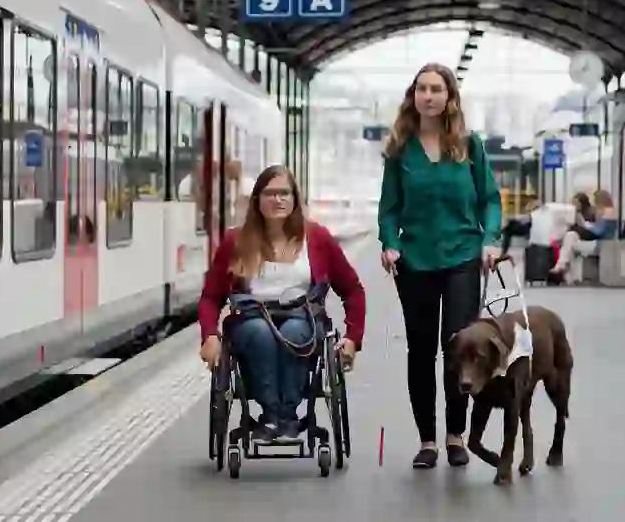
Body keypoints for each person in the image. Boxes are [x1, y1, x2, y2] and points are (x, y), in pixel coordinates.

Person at [377, 62, 503, 469]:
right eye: (421, 88)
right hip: (414, 261)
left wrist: (490, 239)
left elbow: (491, 199)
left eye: (435, 89)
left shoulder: (470, 145)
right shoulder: (401, 149)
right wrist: (390, 244)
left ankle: (455, 435)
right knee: (420, 351)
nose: (427, 95)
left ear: (449, 97)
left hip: (463, 257)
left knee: (458, 346)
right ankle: (427, 440)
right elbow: (389, 209)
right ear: (413, 95)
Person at [197, 165, 366, 441]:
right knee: (259, 333)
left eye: (284, 193)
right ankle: (273, 415)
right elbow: (211, 297)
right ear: (257, 200)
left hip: (304, 317)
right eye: (270, 193)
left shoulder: (318, 238)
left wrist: (352, 338)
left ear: (295, 199)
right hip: (250, 319)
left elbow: (352, 290)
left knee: (294, 333)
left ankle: (284, 415)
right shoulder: (235, 241)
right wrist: (209, 336)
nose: (278, 200)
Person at [550, 188, 617, 281]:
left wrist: (585, 225)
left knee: (570, 242)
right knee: (571, 237)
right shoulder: (604, 211)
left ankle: (567, 273)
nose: (594, 202)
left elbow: (599, 231)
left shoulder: (607, 212)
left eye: (595, 200)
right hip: (595, 241)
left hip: (600, 243)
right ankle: (565, 269)